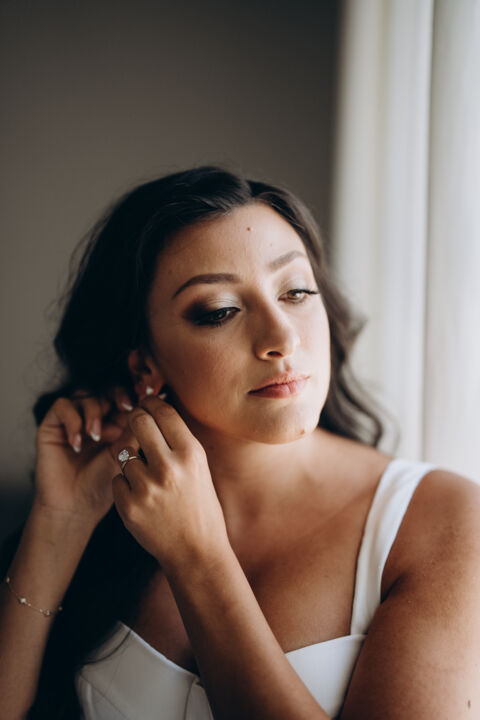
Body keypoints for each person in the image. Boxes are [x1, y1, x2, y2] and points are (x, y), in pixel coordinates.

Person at [0, 166, 479, 720]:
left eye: (296, 291)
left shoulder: (443, 520)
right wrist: (59, 523)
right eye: (220, 311)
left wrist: (198, 557)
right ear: (145, 364)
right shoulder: (104, 508)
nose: (282, 338)